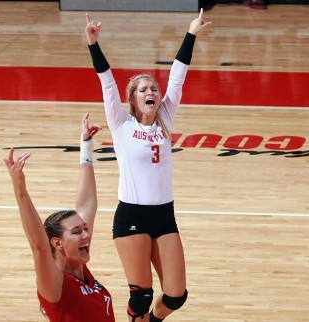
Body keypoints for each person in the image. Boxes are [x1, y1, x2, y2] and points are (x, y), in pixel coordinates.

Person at [85, 9, 211, 322]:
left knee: (176, 295)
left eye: (154, 88)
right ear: (133, 99)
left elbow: (179, 76)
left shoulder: (165, 120)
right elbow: (107, 83)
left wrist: (191, 33)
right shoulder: (121, 124)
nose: (151, 92)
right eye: (143, 89)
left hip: (164, 215)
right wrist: (93, 45)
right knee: (141, 294)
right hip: (132, 215)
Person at [3, 114, 114, 322]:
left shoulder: (82, 272)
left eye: (85, 228)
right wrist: (20, 191)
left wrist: (86, 148)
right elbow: (39, 246)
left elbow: (87, 204)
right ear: (57, 243)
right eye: (77, 231)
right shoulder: (55, 286)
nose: (86, 234)